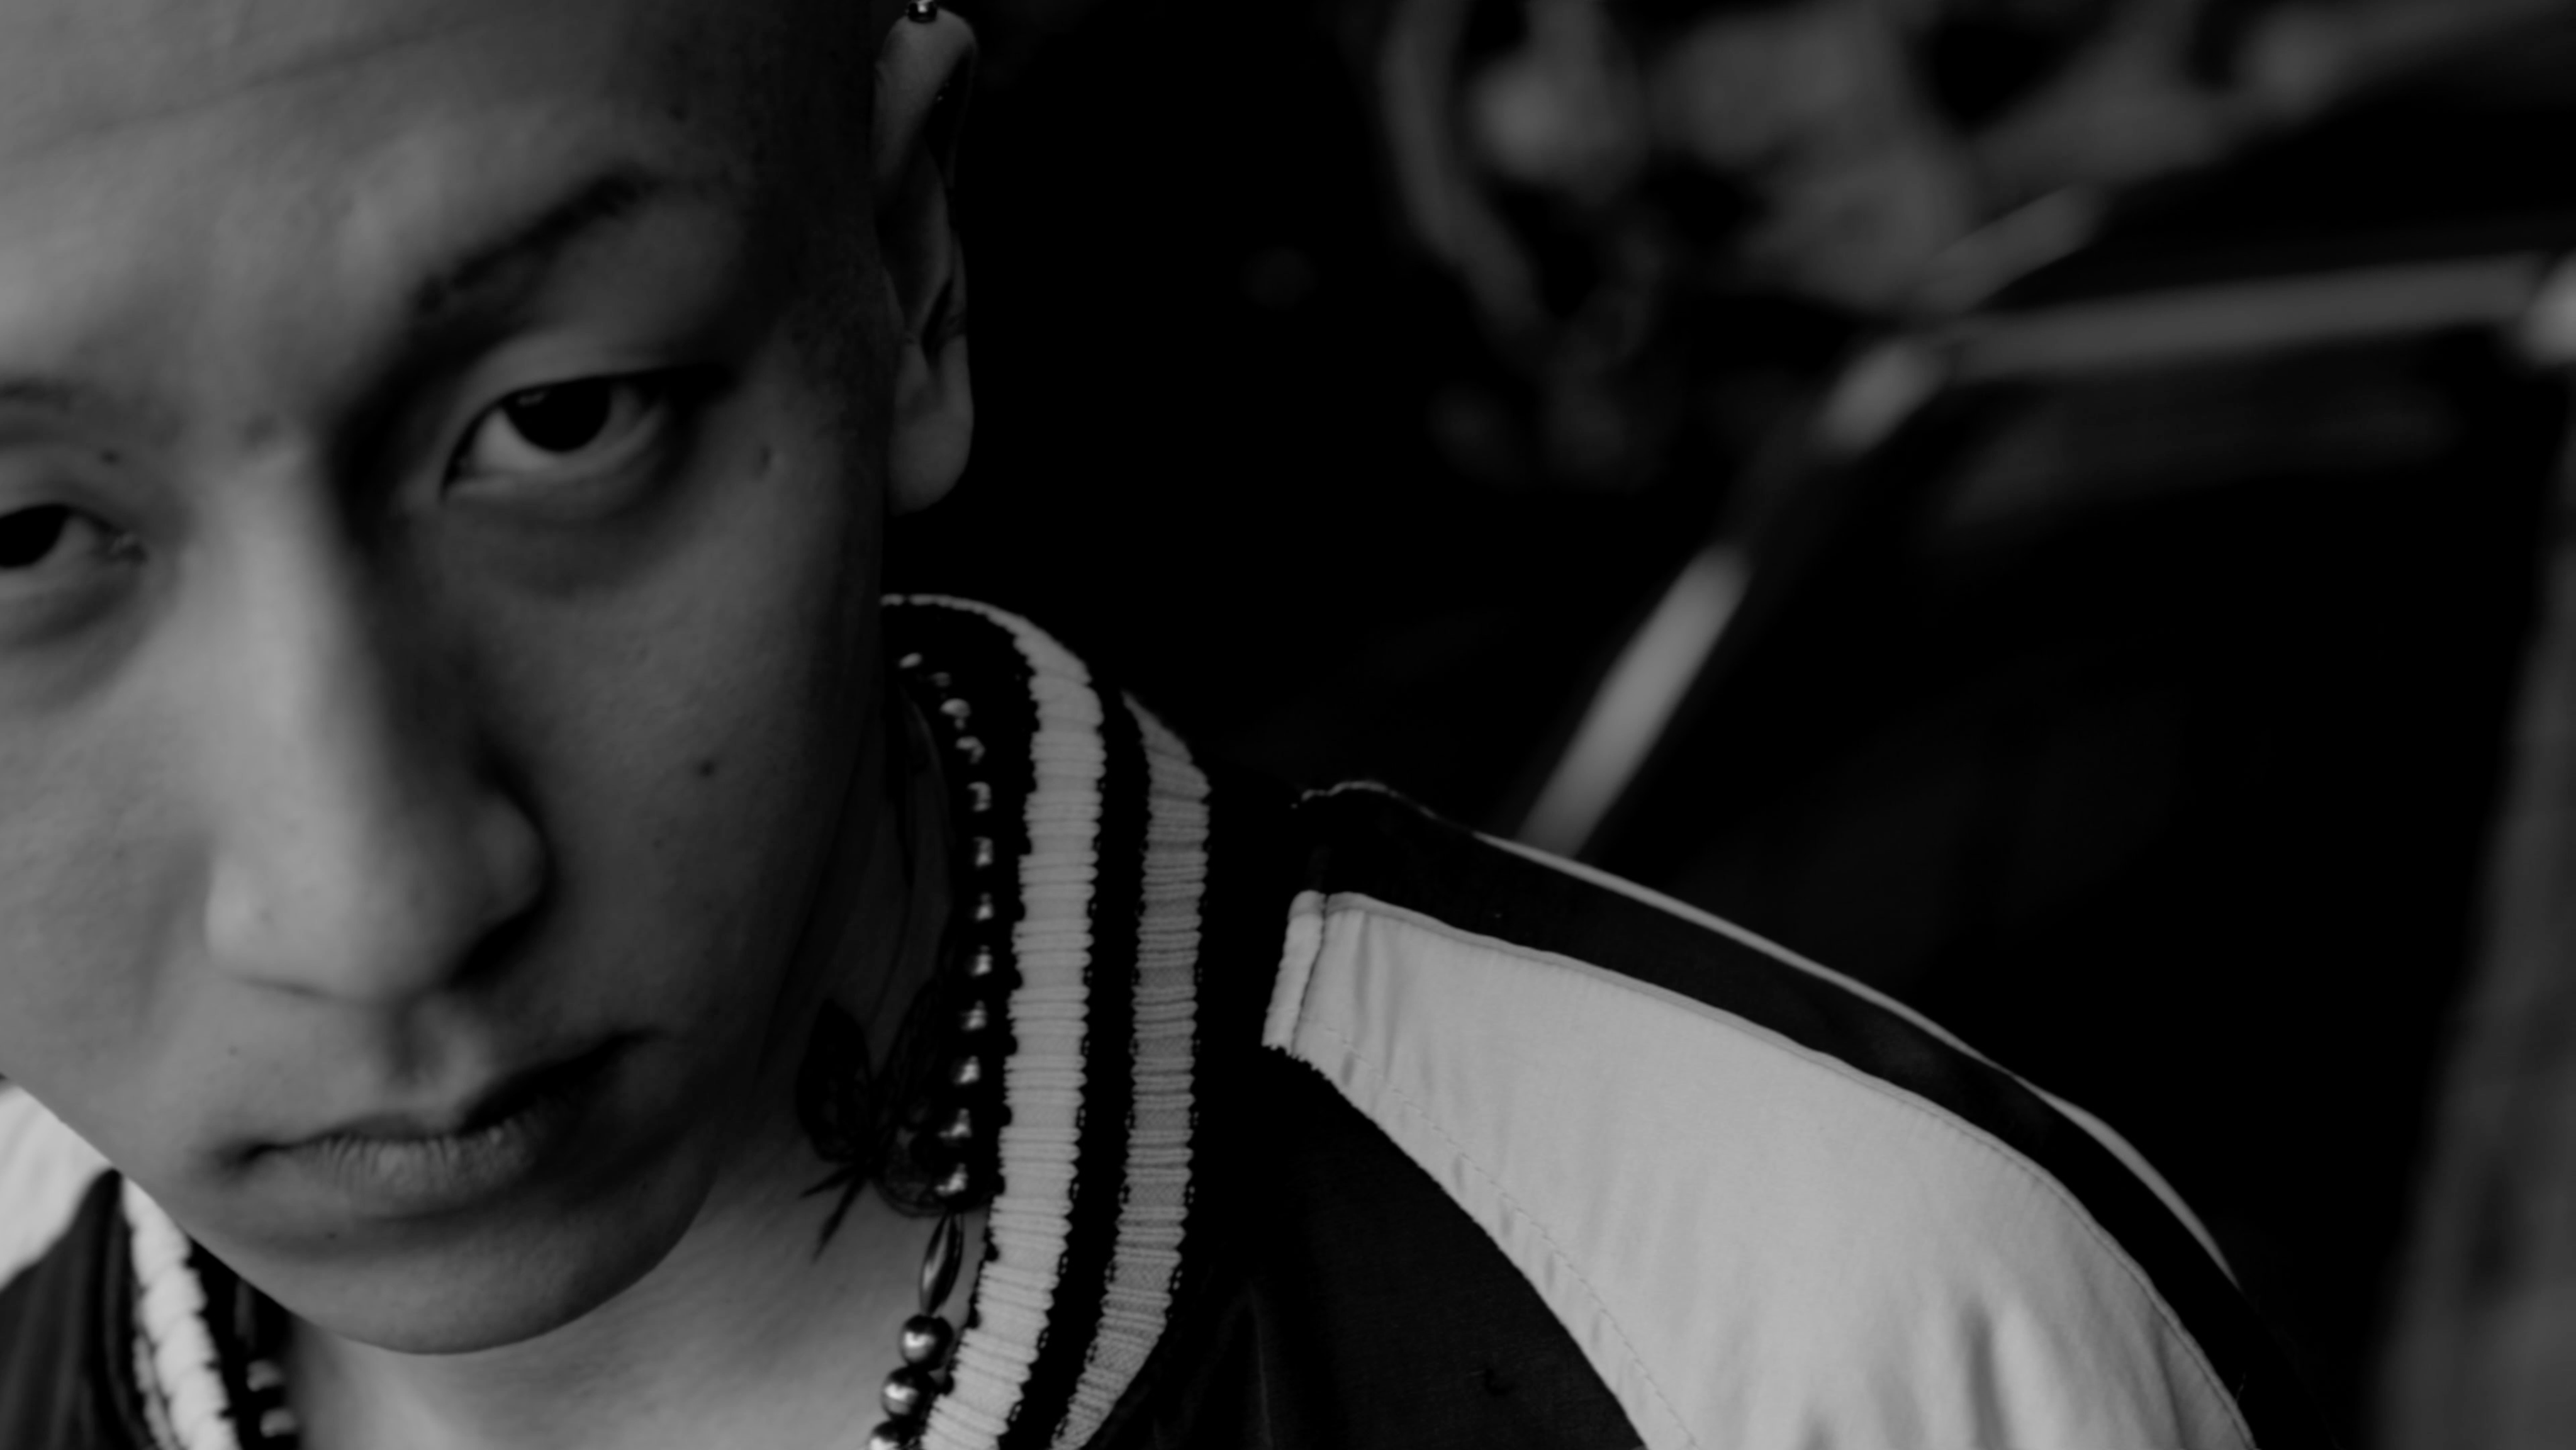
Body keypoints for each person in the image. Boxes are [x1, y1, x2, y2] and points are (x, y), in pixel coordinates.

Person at [0, 1, 2327, 1446]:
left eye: (563, 418)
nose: (379, 902)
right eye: (15, 540)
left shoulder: (1814, 1355)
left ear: (910, 275)